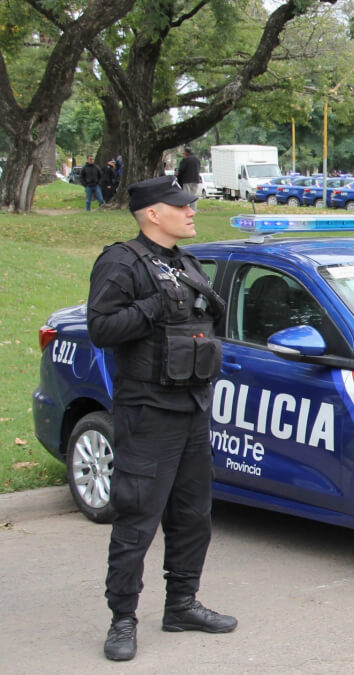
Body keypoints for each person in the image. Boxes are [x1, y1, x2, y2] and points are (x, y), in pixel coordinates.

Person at [87, 176, 236, 661]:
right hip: (148, 412)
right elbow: (101, 327)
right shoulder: (121, 261)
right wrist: (154, 305)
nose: (191, 211)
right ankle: (122, 620)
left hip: (192, 408)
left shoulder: (187, 263)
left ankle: (182, 605)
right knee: (137, 518)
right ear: (153, 213)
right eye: (181, 206)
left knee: (194, 517)